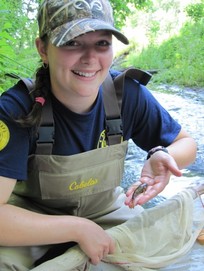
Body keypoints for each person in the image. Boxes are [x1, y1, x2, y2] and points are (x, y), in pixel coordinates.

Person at [0, 0, 197, 270]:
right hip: (30, 220)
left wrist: (161, 153)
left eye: (102, 43)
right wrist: (77, 228)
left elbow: (185, 144)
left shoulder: (127, 95)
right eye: (73, 42)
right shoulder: (16, 109)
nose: (90, 58)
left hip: (108, 212)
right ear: (43, 49)